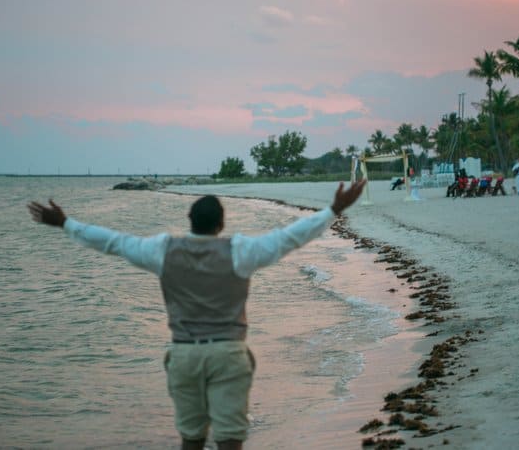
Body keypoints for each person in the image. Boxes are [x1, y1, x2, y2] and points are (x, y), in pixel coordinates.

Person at [27, 179, 366, 450]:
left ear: (189, 221)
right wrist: (333, 209)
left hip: (184, 354)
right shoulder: (240, 250)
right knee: (230, 439)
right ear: (221, 223)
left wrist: (66, 223)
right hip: (228, 353)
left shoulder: (162, 250)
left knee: (191, 438)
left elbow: (113, 242)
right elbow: (289, 237)